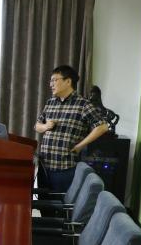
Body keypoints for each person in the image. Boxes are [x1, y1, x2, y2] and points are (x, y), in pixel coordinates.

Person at [34, 65, 109, 193]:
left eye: (54, 80)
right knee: (43, 202)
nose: (51, 84)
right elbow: (37, 126)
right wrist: (45, 126)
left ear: (68, 81)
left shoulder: (83, 104)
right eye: (50, 81)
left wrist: (81, 145)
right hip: (44, 166)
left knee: (62, 203)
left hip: (66, 169)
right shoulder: (51, 102)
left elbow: (103, 126)